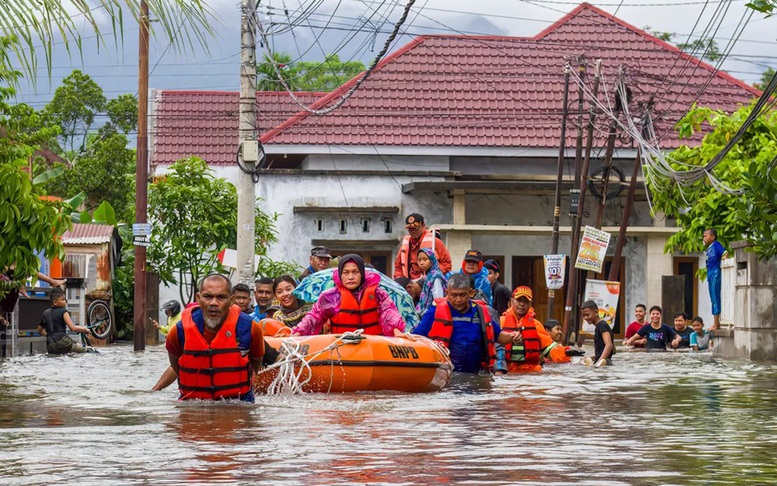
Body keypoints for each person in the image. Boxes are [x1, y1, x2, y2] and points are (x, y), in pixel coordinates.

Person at [164, 274, 265, 402]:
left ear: (231, 300)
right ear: (198, 298)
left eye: (221, 297)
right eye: (207, 296)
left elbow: (256, 359)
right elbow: (175, 362)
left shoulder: (250, 328)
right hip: (193, 401)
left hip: (239, 400)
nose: (213, 303)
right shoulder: (179, 331)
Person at [413, 273, 522, 374]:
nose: (458, 299)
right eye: (454, 295)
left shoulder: (480, 312)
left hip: (476, 373)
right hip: (446, 374)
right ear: (447, 293)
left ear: (471, 293)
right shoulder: (435, 311)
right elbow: (416, 337)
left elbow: (498, 336)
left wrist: (512, 336)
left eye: (462, 295)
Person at [293, 254, 406, 337]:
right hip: (342, 347)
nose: (351, 277)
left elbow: (389, 312)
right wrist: (298, 332)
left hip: (373, 346)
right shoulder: (330, 297)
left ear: (362, 274)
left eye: (355, 272)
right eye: (346, 272)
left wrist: (396, 331)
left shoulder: (378, 293)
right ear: (340, 275)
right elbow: (314, 317)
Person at [500, 286, 577, 371]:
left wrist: (567, 352)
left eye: (526, 301)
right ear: (511, 301)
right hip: (505, 371)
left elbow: (550, 350)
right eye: (519, 300)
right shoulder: (500, 322)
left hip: (531, 372)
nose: (522, 304)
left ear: (530, 304)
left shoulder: (536, 325)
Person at [394, 213, 452, 279]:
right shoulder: (406, 245)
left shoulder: (434, 241)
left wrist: (432, 275)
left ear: (423, 225)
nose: (413, 231)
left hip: (430, 281)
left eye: (415, 228)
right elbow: (398, 267)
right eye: (410, 229)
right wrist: (400, 279)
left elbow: (447, 264)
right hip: (410, 283)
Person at [36, 288, 90, 354]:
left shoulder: (45, 313)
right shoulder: (63, 311)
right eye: (62, 299)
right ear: (55, 302)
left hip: (51, 345)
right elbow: (73, 328)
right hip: (64, 343)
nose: (65, 301)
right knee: (88, 351)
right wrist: (85, 329)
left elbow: (39, 330)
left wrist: (49, 335)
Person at [703, 228, 728, 331]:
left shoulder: (716, 245)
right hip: (710, 272)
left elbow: (725, 252)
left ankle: (716, 323)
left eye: (705, 236)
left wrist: (724, 258)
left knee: (715, 297)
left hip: (715, 272)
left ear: (712, 237)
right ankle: (716, 322)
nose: (704, 238)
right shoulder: (708, 249)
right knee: (712, 298)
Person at [580, 300, 615, 366]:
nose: (585, 318)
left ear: (596, 312)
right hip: (605, 363)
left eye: (587, 315)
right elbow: (613, 350)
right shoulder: (601, 326)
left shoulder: (601, 325)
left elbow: (609, 345)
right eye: (583, 315)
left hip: (604, 364)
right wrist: (591, 357)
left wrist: (598, 363)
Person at [416, 248, 447, 316]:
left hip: (432, 315)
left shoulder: (435, 277)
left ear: (431, 260)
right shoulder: (428, 276)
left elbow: (438, 300)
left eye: (425, 259)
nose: (421, 263)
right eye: (419, 260)